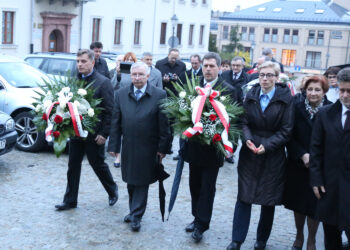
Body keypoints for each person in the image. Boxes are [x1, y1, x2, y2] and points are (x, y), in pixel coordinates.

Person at [226, 61, 294, 250]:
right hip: (250, 153)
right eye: (262, 75)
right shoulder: (251, 94)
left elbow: (287, 130)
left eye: (269, 75)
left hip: (273, 155)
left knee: (268, 199)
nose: (265, 79)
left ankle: (261, 240)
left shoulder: (286, 98)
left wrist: (267, 145)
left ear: (277, 78)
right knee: (244, 196)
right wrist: (247, 139)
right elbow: (243, 121)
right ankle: (236, 239)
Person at [182, 52, 242, 243]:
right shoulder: (194, 87)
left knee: (207, 187)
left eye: (211, 66)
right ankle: (195, 216)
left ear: (218, 67)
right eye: (205, 65)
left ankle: (202, 224)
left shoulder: (228, 90)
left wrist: (229, 147)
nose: (207, 69)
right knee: (194, 185)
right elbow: (182, 112)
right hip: (194, 146)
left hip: (214, 148)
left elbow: (235, 121)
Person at [108, 62, 171, 232]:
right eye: (134, 75)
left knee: (141, 182)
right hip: (128, 145)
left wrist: (163, 148)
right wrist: (114, 145)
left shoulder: (159, 95)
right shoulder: (121, 94)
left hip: (148, 147)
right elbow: (116, 122)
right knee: (130, 181)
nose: (137, 78)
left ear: (148, 76)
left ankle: (136, 216)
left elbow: (164, 125)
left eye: (140, 75)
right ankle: (133, 210)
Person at [55, 49, 118, 211]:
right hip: (76, 133)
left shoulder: (103, 82)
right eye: (78, 61)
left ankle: (112, 190)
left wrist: (104, 134)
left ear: (92, 62)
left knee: (97, 164)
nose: (80, 64)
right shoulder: (73, 81)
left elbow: (110, 111)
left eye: (83, 61)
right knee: (73, 166)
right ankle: (70, 201)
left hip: (95, 134)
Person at [283, 75, 332, 250]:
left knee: (314, 205)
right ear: (305, 91)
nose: (313, 93)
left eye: (317, 90)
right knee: (298, 203)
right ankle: (299, 236)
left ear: (324, 91)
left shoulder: (330, 110)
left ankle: (311, 240)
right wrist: (302, 154)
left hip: (319, 167)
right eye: (310, 89)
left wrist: (315, 158)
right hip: (298, 164)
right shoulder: (296, 108)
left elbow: (333, 141)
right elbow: (289, 135)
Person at [310, 67, 350, 250]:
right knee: (331, 239)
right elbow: (316, 150)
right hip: (329, 187)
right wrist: (316, 179)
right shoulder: (325, 114)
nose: (345, 95)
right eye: (342, 90)